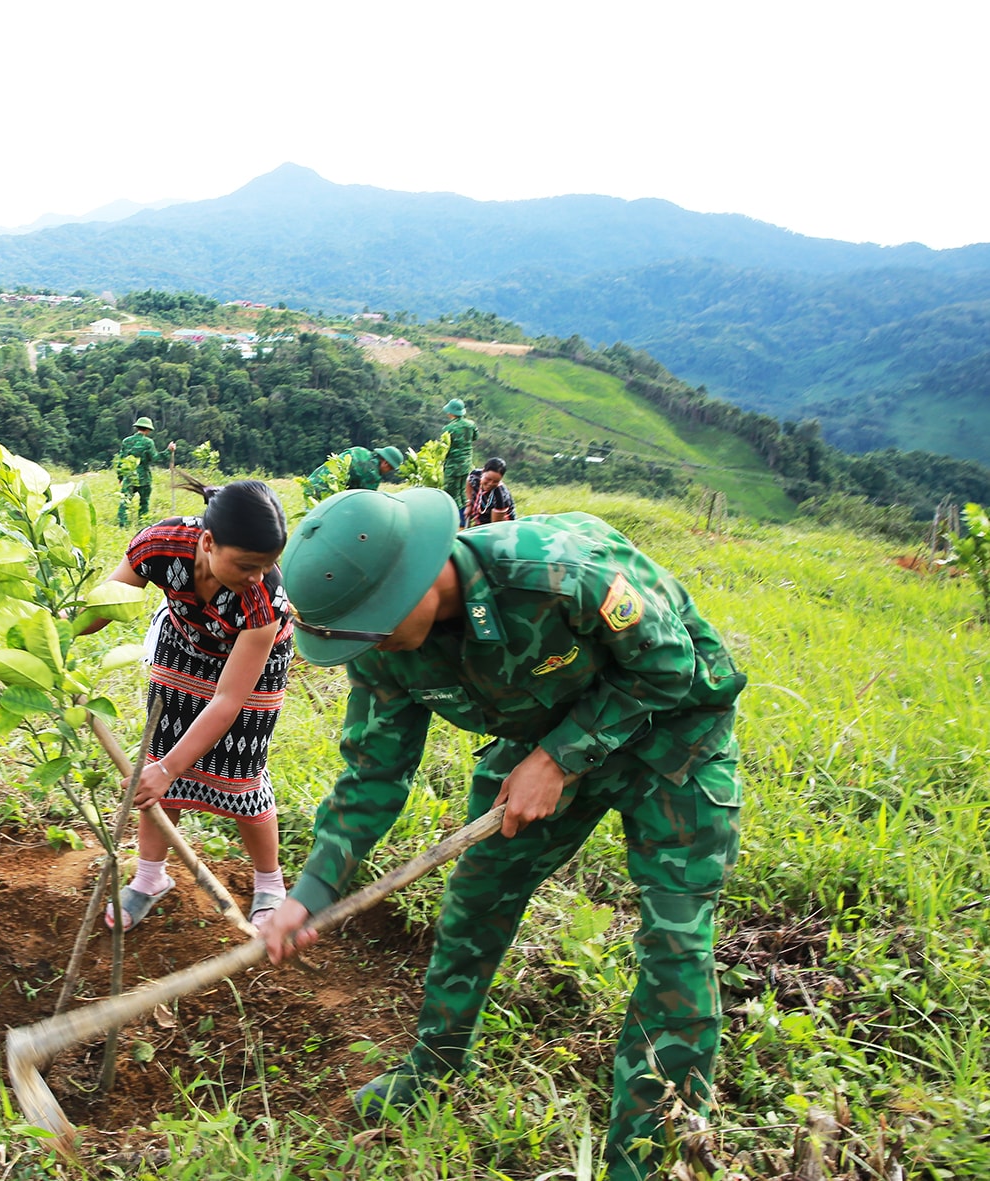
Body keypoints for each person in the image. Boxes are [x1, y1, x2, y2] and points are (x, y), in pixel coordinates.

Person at [265, 488, 747, 1180]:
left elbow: (670, 667)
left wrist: (559, 759)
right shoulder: (375, 641)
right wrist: (309, 890)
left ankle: (649, 1153)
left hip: (673, 737)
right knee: (477, 898)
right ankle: (432, 1065)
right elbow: (374, 772)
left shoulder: (557, 572)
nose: (361, 646)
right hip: (536, 739)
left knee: (675, 941)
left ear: (415, 578)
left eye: (368, 628)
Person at [78, 480, 296, 930]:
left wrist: (171, 769)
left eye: (267, 566)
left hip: (253, 663)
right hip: (184, 642)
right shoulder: (160, 545)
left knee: (241, 775)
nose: (256, 575)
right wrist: (56, 634)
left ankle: (270, 884)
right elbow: (107, 605)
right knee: (158, 762)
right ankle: (149, 879)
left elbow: (229, 700)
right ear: (209, 542)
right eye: (247, 564)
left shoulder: (263, 598)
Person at [114, 415, 173, 526]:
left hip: (130, 477)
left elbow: (121, 460)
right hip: (144, 478)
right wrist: (168, 451)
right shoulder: (148, 442)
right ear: (148, 429)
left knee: (124, 502)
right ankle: (143, 524)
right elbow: (156, 458)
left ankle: (123, 524)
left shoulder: (126, 441)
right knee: (144, 502)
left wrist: (120, 476)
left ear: (137, 427)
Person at [303, 444, 407, 505]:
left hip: (312, 483)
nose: (388, 471)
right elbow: (366, 501)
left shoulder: (360, 450)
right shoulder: (372, 474)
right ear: (385, 463)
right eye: (390, 468)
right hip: (326, 494)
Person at [441, 399, 479, 515]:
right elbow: (475, 437)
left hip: (453, 467)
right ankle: (466, 520)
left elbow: (444, 448)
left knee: (451, 494)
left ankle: (456, 520)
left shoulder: (448, 429)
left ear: (450, 412)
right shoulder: (471, 425)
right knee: (465, 493)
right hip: (467, 465)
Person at [461, 457, 515, 527]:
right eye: (488, 479)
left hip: (501, 525)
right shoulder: (475, 475)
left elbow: (494, 527)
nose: (490, 484)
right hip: (482, 515)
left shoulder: (500, 495)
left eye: (496, 481)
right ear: (483, 471)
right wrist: (469, 504)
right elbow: (469, 483)